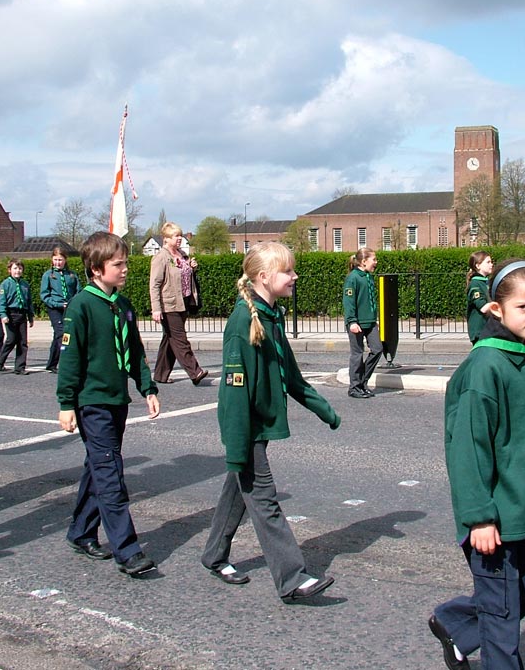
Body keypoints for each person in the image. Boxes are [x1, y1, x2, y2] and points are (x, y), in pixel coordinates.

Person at [430, 258, 525, 670]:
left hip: (522, 506)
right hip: (493, 515)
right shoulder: (486, 366)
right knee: (503, 626)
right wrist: (480, 518)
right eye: (524, 307)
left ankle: (456, 626)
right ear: (497, 310)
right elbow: (467, 449)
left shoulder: (522, 354)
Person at [201, 241, 340, 602]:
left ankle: (214, 554)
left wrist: (324, 409)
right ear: (264, 277)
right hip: (245, 428)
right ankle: (292, 578)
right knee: (263, 498)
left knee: (239, 489)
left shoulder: (270, 317)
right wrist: (236, 446)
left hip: (257, 424)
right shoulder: (242, 323)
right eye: (288, 271)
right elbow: (232, 396)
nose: (295, 276)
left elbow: (291, 377)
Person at [57, 231, 161, 577]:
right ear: (97, 269)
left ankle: (81, 531)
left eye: (126, 262)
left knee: (98, 467)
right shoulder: (82, 305)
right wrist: (66, 403)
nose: (126, 269)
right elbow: (70, 359)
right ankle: (127, 550)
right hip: (92, 403)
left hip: (117, 401)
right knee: (110, 473)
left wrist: (147, 387)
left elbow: (134, 351)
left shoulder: (122, 304)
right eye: (118, 264)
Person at [149, 222, 207, 385]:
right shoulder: (161, 257)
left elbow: (182, 275)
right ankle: (195, 372)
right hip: (169, 305)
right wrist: (156, 309)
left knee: (169, 340)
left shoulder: (181, 255)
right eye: (176, 236)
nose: (179, 238)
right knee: (180, 339)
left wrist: (191, 268)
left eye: (180, 235)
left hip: (183, 302)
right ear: (166, 239)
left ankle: (160, 375)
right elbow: (154, 284)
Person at [342, 247, 382, 399]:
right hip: (356, 322)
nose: (376, 262)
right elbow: (349, 301)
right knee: (357, 354)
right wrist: (352, 321)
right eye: (374, 259)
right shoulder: (353, 278)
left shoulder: (368, 276)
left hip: (369, 322)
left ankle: (362, 382)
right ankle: (354, 387)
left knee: (377, 349)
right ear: (364, 261)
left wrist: (374, 318)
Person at [40, 246, 81, 373]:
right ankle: (65, 363)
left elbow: (78, 291)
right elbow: (44, 295)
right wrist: (56, 304)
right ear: (52, 260)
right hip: (55, 308)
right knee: (61, 334)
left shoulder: (72, 275)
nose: (58, 262)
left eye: (61, 260)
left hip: (68, 308)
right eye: (56, 260)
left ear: (65, 260)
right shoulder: (48, 275)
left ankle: (51, 364)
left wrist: (72, 304)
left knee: (61, 335)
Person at [0, 258, 34, 375]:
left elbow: (29, 301)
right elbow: (1, 302)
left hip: (22, 314)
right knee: (11, 340)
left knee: (23, 342)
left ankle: (20, 367)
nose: (17, 271)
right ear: (9, 270)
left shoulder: (25, 284)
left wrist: (30, 317)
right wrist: (3, 315)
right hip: (10, 315)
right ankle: (0, 362)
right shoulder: (5, 284)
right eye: (15, 268)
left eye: (20, 268)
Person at [465, 250, 493, 344]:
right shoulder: (475, 284)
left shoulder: (486, 282)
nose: (491, 264)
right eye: (488, 262)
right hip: (480, 331)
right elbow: (483, 308)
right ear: (478, 266)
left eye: (491, 262)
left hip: (489, 330)